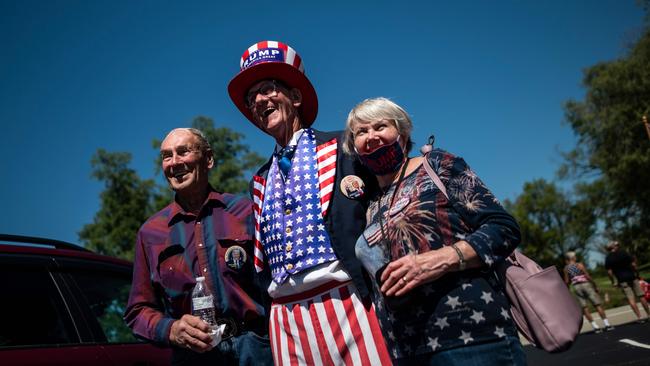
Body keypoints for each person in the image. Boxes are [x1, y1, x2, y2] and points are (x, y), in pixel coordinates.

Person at [227, 40, 391, 365]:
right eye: (251, 97)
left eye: (269, 88)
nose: (259, 100)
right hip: (285, 319)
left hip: (348, 301)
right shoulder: (259, 180)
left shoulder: (344, 146)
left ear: (296, 98)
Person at [343, 97, 526, 365]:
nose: (371, 137)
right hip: (407, 350)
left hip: (473, 339)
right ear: (354, 146)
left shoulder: (438, 166)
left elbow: (503, 228)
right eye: (361, 132)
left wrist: (439, 260)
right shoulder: (369, 204)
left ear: (402, 134)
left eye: (380, 126)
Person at [124, 128, 273, 366]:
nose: (174, 162)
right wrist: (171, 330)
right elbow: (137, 310)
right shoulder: (151, 232)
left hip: (257, 349)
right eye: (166, 156)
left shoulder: (246, 211)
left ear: (209, 159)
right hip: (194, 358)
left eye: (183, 152)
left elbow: (279, 280)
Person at [563, 251, 613, 332]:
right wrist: (594, 284)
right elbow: (587, 276)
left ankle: (595, 327)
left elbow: (566, 281)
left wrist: (567, 290)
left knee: (585, 307)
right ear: (572, 258)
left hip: (576, 287)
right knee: (597, 304)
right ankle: (607, 324)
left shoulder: (566, 268)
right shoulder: (579, 265)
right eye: (575, 256)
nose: (576, 257)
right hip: (585, 284)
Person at [605, 241, 650, 323]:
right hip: (632, 277)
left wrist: (613, 281)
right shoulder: (623, 253)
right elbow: (633, 264)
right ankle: (648, 314)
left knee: (631, 299)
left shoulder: (608, 258)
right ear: (614, 246)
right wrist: (637, 273)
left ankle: (640, 317)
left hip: (622, 280)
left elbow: (609, 272)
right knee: (641, 296)